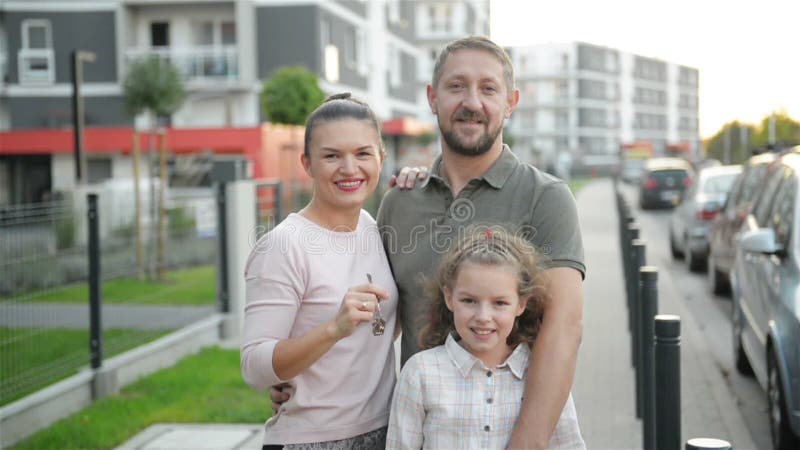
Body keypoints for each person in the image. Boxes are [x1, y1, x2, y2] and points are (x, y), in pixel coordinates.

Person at [377, 35, 585, 449]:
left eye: (488, 88)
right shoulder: (399, 203)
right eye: (456, 86)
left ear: (511, 102)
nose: (472, 102)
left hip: (513, 430)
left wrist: (525, 445)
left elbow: (564, 329)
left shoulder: (545, 197)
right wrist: (308, 381)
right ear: (433, 97)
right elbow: (377, 324)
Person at [241, 93, 398, 449]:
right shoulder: (284, 245)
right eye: (331, 156)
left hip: (385, 429)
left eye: (362, 153)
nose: (349, 168)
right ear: (307, 164)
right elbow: (254, 366)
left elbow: (382, 325)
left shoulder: (372, 228)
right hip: (313, 439)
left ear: (380, 158)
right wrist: (333, 329)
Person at [385, 227, 584, 449]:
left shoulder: (542, 375)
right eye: (469, 301)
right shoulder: (420, 373)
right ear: (449, 298)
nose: (483, 317)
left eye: (499, 303)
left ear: (521, 304)